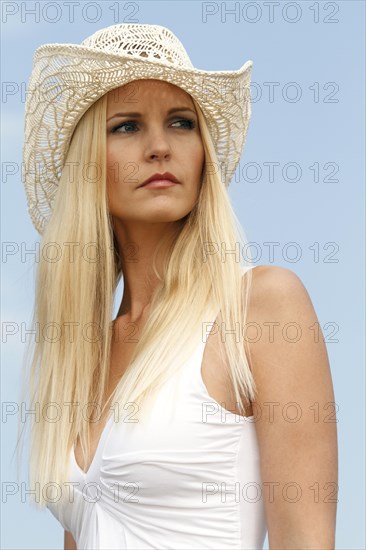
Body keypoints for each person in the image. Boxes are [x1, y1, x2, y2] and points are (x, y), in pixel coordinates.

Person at [20, 23, 338, 549]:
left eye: (181, 122)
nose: (160, 147)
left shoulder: (261, 307)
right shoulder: (82, 354)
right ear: (86, 166)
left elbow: (306, 540)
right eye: (126, 126)